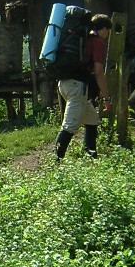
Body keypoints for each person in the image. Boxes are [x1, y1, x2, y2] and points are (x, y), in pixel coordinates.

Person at [54, 14, 112, 159]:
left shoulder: (82, 38)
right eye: (108, 31)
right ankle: (55, 161)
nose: (108, 34)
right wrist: (106, 98)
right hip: (76, 86)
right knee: (70, 126)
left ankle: (91, 156)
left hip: (65, 84)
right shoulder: (97, 42)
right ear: (104, 29)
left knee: (92, 120)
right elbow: (98, 72)